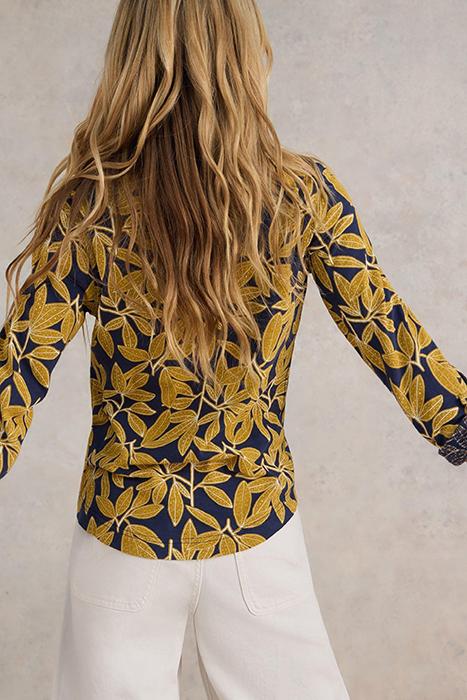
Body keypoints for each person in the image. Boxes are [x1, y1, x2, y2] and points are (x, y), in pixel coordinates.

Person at [1, 1, 466, 698]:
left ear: (129, 57)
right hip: (255, 526)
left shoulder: (89, 205)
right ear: (246, 51)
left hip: (124, 535)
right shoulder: (301, 195)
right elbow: (385, 327)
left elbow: (18, 366)